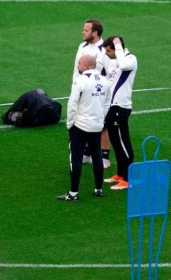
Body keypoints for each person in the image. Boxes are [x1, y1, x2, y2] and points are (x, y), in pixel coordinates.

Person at [57, 54, 111, 201]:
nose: (77, 65)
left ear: (86, 66)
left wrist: (70, 124)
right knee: (97, 156)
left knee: (75, 158)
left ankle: (73, 193)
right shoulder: (105, 81)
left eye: (79, 63)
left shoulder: (80, 81)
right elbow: (107, 103)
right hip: (96, 126)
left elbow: (72, 104)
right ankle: (98, 189)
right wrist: (101, 119)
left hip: (80, 126)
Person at [71, 19, 112, 168]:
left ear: (95, 33)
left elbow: (108, 72)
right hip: (81, 88)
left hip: (97, 91)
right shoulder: (82, 46)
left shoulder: (103, 50)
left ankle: (105, 156)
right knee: (83, 120)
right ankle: (87, 153)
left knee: (102, 123)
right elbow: (77, 69)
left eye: (86, 30)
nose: (83, 32)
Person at [100, 36, 138, 191]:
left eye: (109, 50)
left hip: (121, 107)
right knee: (115, 141)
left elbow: (123, 64)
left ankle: (128, 179)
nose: (107, 54)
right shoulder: (115, 61)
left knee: (123, 142)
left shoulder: (130, 59)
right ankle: (121, 174)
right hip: (112, 106)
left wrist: (118, 46)